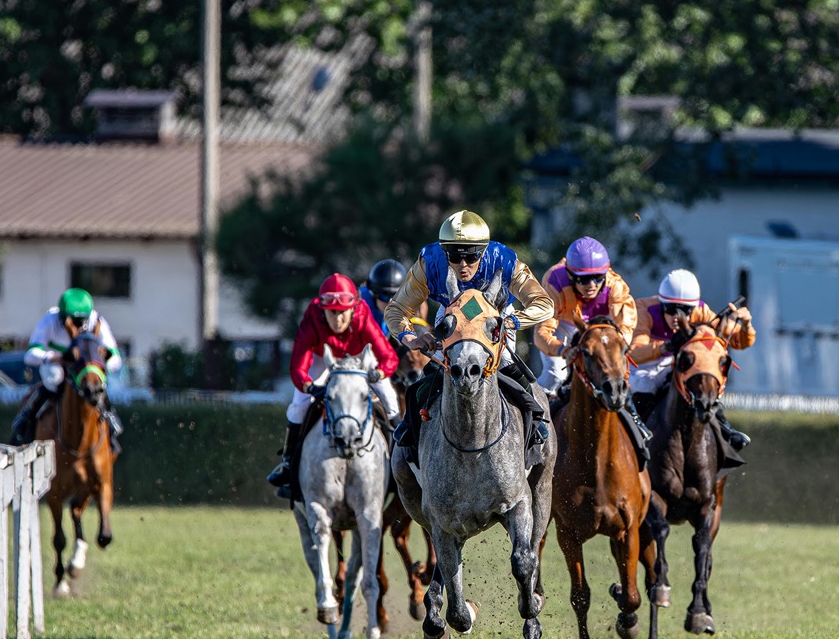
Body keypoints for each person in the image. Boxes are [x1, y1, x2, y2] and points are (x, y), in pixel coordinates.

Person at [383, 209, 555, 466]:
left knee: (507, 361)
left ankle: (536, 422)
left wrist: (511, 321)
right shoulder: (429, 262)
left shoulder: (504, 260)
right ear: (445, 253)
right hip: (453, 314)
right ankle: (411, 428)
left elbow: (544, 303)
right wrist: (410, 338)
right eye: (454, 257)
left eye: (471, 257)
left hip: (493, 316)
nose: (463, 265)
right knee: (428, 375)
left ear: (483, 252)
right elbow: (396, 309)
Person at [266, 273, 401, 500]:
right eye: (332, 313)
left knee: (390, 400)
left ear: (353, 308)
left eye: (343, 313)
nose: (337, 320)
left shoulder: (362, 315)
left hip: (358, 358)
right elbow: (298, 367)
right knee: (298, 404)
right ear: (322, 309)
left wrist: (378, 373)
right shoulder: (312, 318)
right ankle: (288, 463)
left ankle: (404, 459)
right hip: (324, 357)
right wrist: (309, 388)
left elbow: (389, 358)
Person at [533, 236, 650, 446]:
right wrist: (561, 349)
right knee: (554, 374)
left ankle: (634, 420)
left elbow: (625, 327)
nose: (591, 285)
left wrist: (616, 346)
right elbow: (542, 333)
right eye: (583, 279)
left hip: (600, 331)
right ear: (570, 275)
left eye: (597, 278)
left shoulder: (616, 286)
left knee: (617, 374)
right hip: (564, 325)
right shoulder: (554, 282)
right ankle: (534, 424)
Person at [630, 268, 755, 463]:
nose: (677, 317)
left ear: (694, 308)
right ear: (661, 303)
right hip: (650, 362)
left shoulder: (702, 311)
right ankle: (638, 431)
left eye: (685, 311)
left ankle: (725, 430)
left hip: (682, 360)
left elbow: (739, 342)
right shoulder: (644, 309)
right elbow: (634, 353)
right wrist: (666, 346)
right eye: (670, 310)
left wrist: (746, 325)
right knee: (644, 383)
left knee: (704, 382)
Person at [10, 288, 125, 450]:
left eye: (80, 322)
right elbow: (30, 354)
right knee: (53, 380)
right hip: (58, 363)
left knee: (96, 384)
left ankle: (110, 420)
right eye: (71, 321)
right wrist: (52, 357)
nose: (76, 327)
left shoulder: (96, 320)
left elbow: (115, 358)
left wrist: (101, 363)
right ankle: (26, 418)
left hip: (83, 368)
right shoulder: (50, 320)